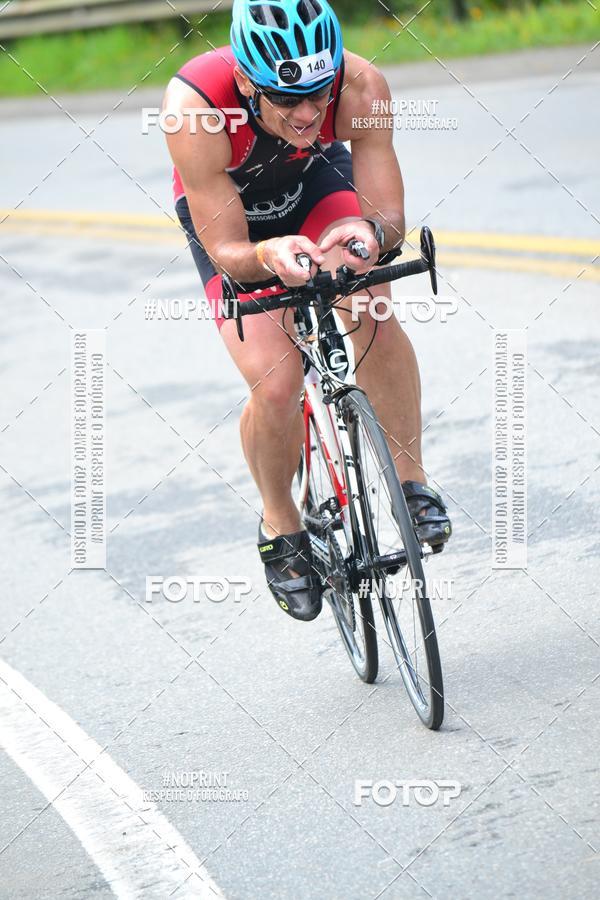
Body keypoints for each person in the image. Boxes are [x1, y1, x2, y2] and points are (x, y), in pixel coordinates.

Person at [164, 0, 451, 622]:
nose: (308, 112)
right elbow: (232, 252)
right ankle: (281, 524)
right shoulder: (194, 110)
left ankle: (412, 484)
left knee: (370, 301)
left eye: (319, 94)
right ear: (245, 82)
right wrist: (269, 252)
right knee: (275, 381)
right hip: (238, 222)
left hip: (314, 184)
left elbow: (388, 214)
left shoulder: (362, 85)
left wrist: (370, 236)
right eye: (286, 100)